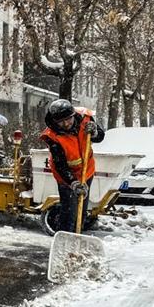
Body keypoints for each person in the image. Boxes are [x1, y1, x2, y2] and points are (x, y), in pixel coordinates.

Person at [39, 99, 105, 233]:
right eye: (61, 121)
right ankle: (65, 235)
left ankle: (78, 233)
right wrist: (73, 183)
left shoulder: (85, 119)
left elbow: (100, 137)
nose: (66, 124)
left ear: (73, 115)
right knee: (69, 210)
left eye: (68, 119)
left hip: (87, 170)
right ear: (55, 121)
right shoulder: (52, 136)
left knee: (82, 207)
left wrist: (95, 132)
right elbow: (60, 164)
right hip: (66, 176)